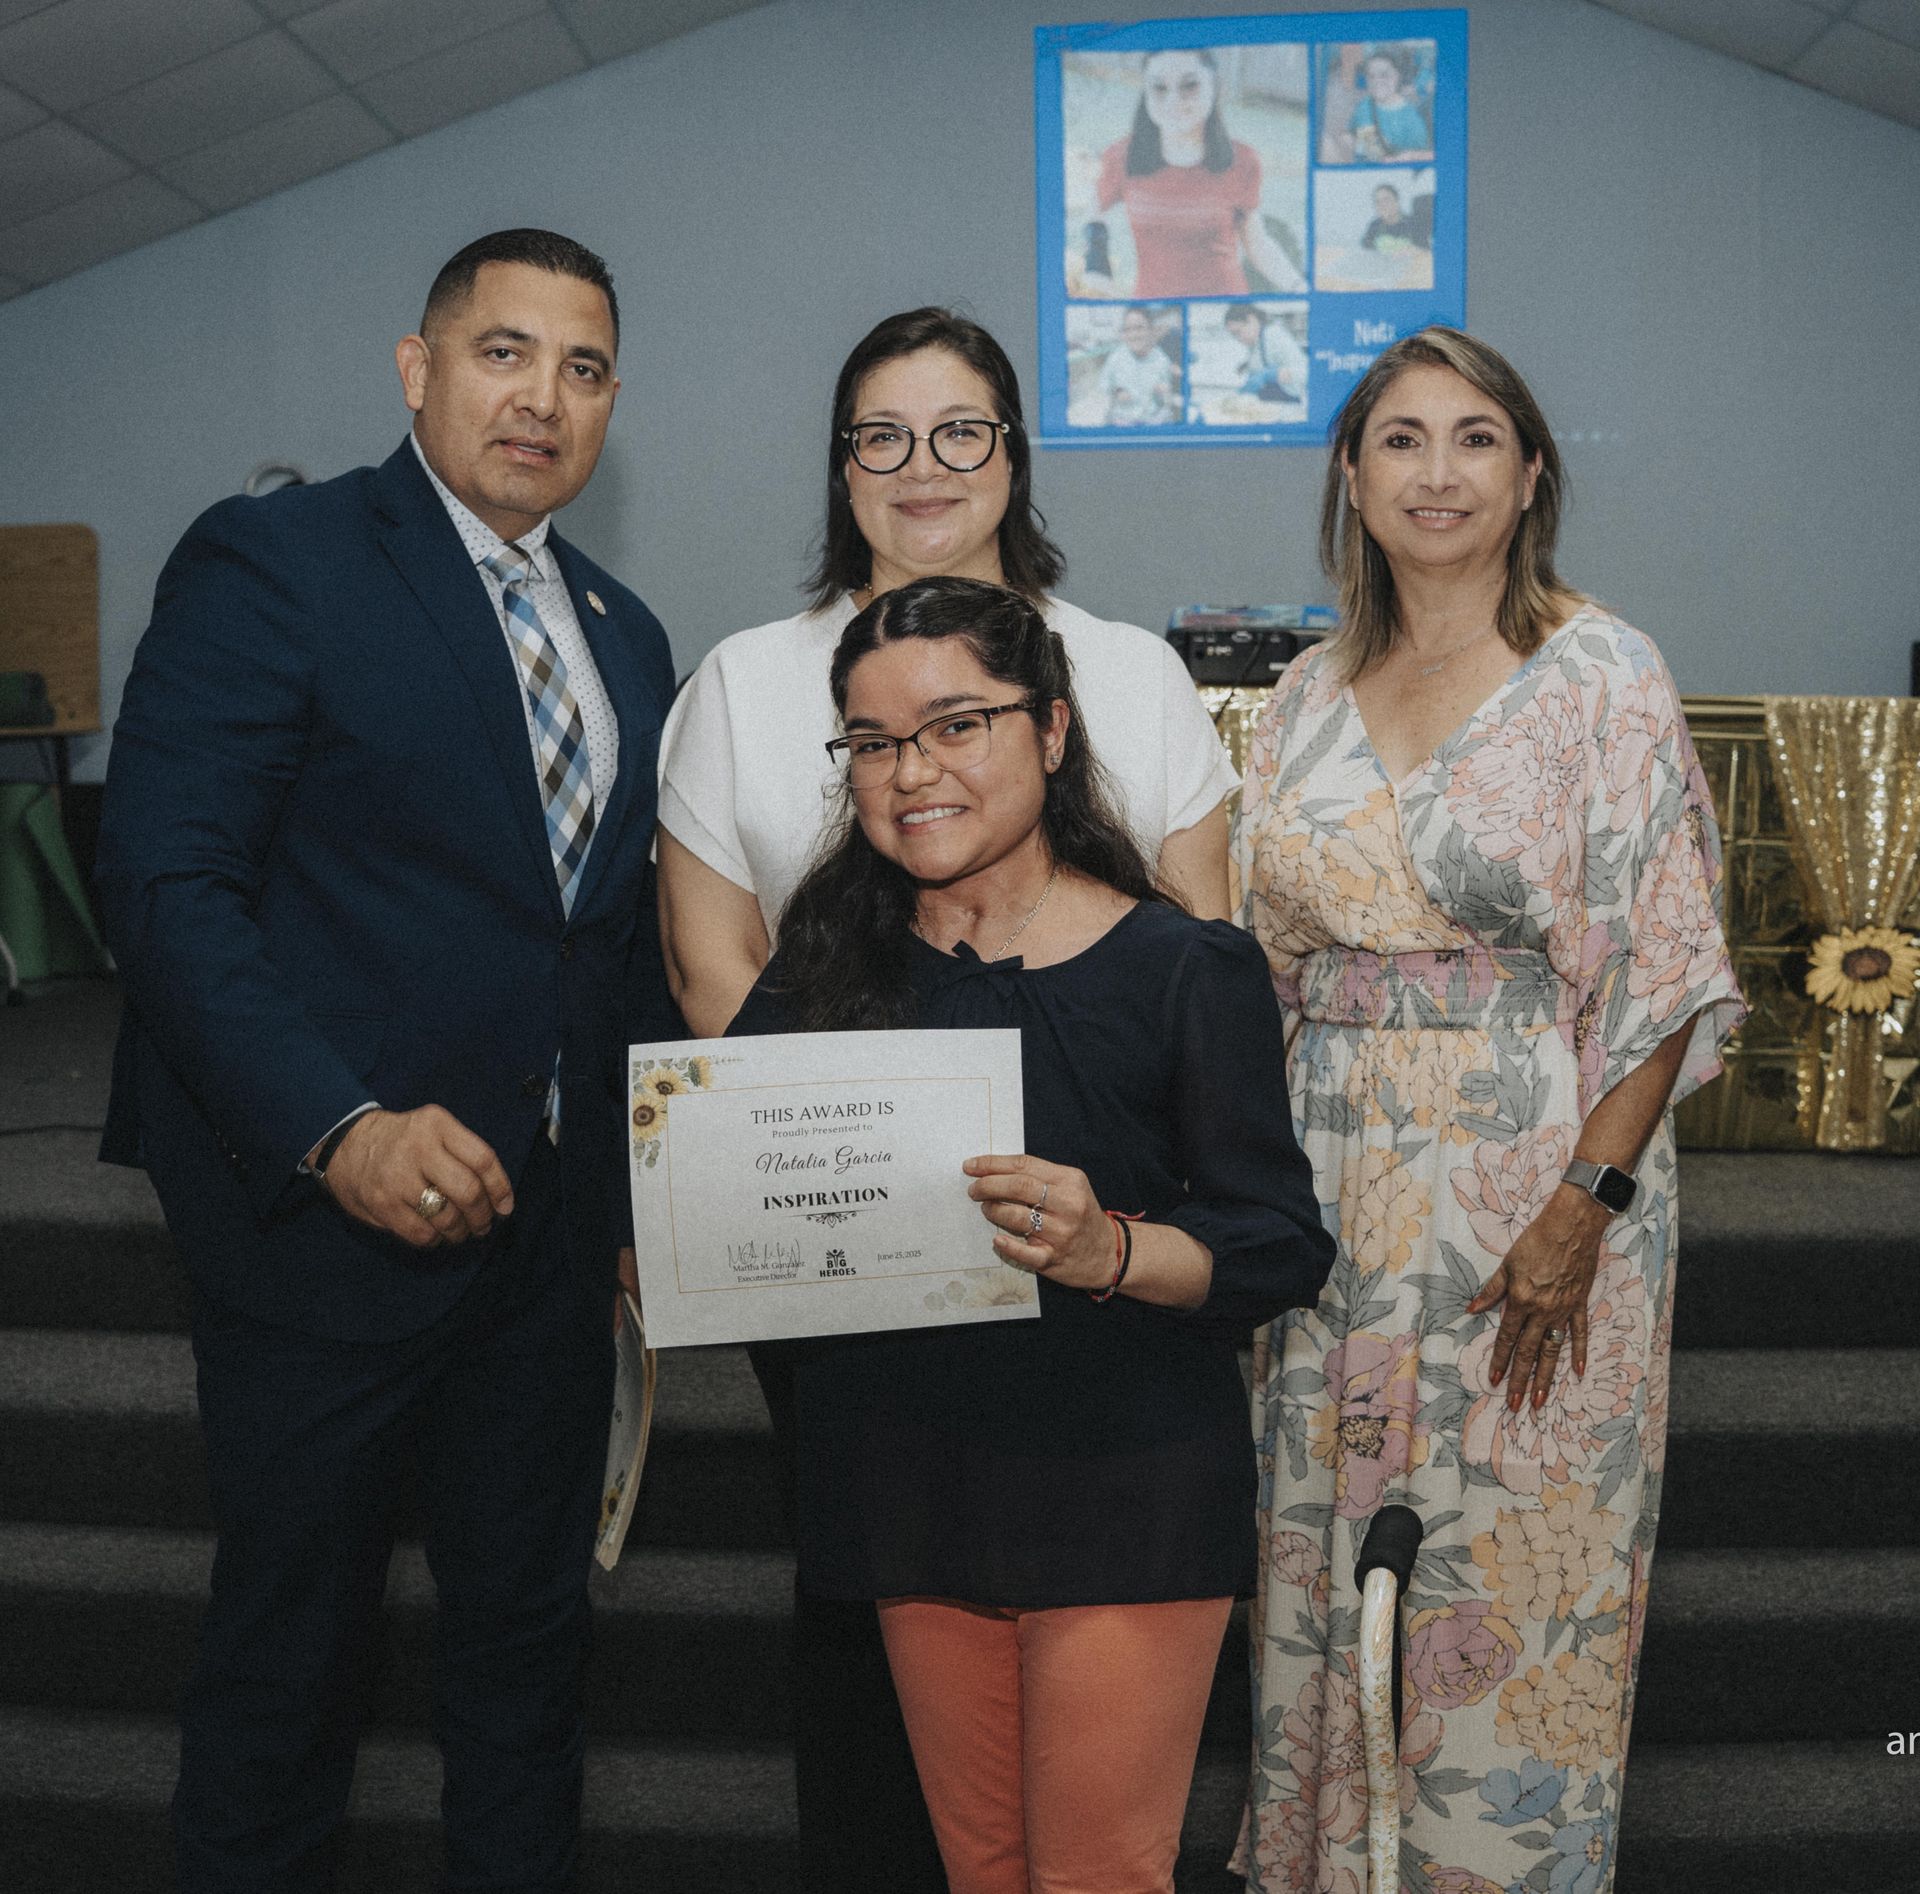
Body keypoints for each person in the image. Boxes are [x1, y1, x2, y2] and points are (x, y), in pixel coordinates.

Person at [94, 229, 679, 1890]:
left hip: (544, 1249)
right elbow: (166, 880)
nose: (541, 397)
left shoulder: (628, 633)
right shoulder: (277, 559)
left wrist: (636, 1201)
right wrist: (340, 1125)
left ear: (610, 405)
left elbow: (601, 945)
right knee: (291, 1665)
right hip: (319, 1232)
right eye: (504, 351)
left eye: (581, 369)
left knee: (526, 1654)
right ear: (417, 368)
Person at [657, 304, 1240, 1892]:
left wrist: (1103, 1208)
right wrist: (843, 1175)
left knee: (1099, 1736)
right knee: (880, 1646)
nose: (923, 465)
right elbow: (717, 972)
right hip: (848, 1252)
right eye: (882, 435)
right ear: (839, 464)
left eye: (960, 429)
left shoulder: (1128, 671)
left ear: (1015, 454)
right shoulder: (746, 679)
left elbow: (1198, 946)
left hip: (1104, 1267)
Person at [1230, 327, 1744, 1893]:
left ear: (1529, 477)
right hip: (1327, 1192)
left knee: (1510, 1577)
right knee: (1325, 1555)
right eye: (1401, 438)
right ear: (1352, 473)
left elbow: (1664, 967)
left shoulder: (1604, 673)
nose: (1437, 471)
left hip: (1537, 1189)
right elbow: (1254, 961)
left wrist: (1585, 1202)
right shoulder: (1302, 693)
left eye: (1475, 438)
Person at [731, 575, 1335, 1894]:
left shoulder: (1184, 967)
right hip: (909, 1481)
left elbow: (1279, 1244)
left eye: (957, 726)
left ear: (1051, 729)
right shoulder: (823, 967)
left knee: (1097, 1876)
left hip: (1123, 1481)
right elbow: (735, 1191)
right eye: (875, 742)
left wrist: (1107, 1247)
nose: (912, 772)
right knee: (985, 1871)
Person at [1087, 48, 1306, 298]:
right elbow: (1095, 208)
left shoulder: (1243, 160)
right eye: (1159, 88)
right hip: (1153, 308)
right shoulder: (1121, 156)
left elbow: (1257, 244)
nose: (1173, 101)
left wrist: (1298, 286)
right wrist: (1097, 260)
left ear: (1215, 88)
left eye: (1189, 86)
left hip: (1226, 307)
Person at [1099, 305, 1179, 425]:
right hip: (1123, 419)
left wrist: (1163, 390)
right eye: (1128, 329)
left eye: (1139, 328)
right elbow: (1104, 386)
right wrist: (1116, 391)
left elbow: (1167, 390)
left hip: (1153, 419)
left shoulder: (1161, 359)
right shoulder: (1115, 358)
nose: (1133, 335)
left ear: (1151, 330)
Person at [1349, 47, 1433, 160]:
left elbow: (1419, 161)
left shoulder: (1411, 119)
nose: (1376, 81)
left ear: (1398, 76)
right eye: (1371, 76)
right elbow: (1351, 135)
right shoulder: (1364, 106)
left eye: (1384, 75)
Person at [1223, 303, 1305, 407]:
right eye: (1233, 335)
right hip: (1270, 404)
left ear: (1252, 320)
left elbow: (1303, 371)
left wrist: (1269, 375)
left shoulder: (1274, 335)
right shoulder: (1255, 341)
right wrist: (1246, 365)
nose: (1238, 339)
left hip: (1286, 405)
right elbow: (1265, 361)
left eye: (1238, 332)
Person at [1360, 182, 1427, 253]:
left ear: (1397, 201)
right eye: (1378, 202)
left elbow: (1426, 252)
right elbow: (1366, 251)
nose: (1382, 205)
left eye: (1386, 200)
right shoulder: (1374, 226)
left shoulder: (1414, 224)